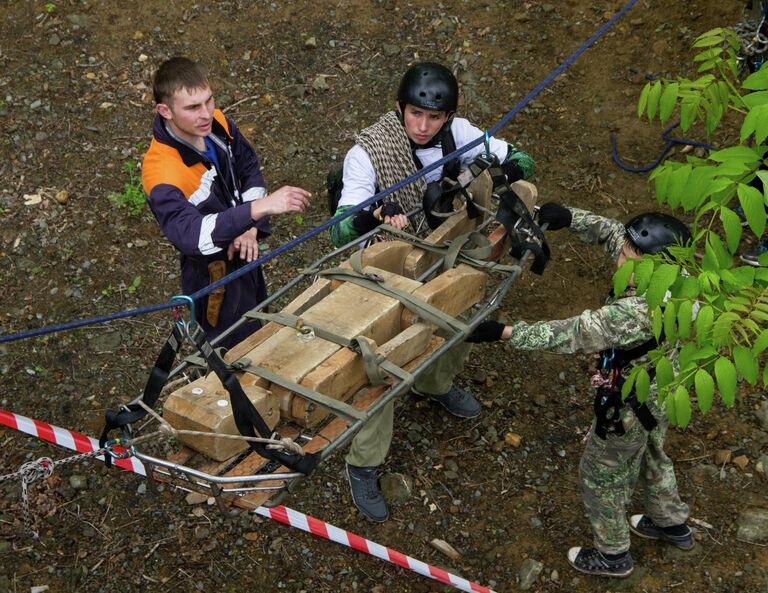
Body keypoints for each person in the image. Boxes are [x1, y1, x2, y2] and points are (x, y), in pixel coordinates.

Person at [329, 61, 535, 522]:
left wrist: (496, 169)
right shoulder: (366, 153)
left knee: (457, 312)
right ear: (399, 108)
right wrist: (371, 217)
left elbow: (523, 159)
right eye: (414, 115)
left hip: (439, 243)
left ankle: (435, 383)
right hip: (380, 262)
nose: (423, 127)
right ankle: (364, 462)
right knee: (376, 359)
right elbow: (339, 232)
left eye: (433, 118)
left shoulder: (458, 132)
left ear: (447, 117)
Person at [467, 204, 696, 578]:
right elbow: (613, 234)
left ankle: (613, 554)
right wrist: (571, 218)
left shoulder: (637, 312)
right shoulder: (677, 277)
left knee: (601, 475)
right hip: (666, 384)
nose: (619, 258)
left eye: (627, 256)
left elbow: (573, 333)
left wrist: (504, 332)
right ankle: (670, 523)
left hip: (631, 398)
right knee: (653, 450)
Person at [142, 57, 311, 348]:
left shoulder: (217, 124)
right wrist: (258, 209)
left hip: (246, 252)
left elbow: (248, 167)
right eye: (193, 107)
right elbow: (193, 237)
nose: (206, 113)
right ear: (164, 111)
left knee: (262, 327)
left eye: (209, 101)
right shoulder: (162, 174)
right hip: (212, 277)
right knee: (232, 353)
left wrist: (250, 228)